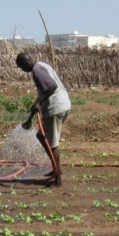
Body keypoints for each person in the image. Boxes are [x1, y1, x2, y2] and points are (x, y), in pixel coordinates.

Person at [16, 52, 71, 187]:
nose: (23, 70)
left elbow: (52, 87)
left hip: (55, 108)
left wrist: (40, 103)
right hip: (63, 104)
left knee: (51, 143)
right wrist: (37, 102)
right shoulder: (42, 65)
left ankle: (57, 179)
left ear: (24, 64)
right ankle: (56, 169)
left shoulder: (36, 70)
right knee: (42, 136)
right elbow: (45, 90)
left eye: (21, 67)